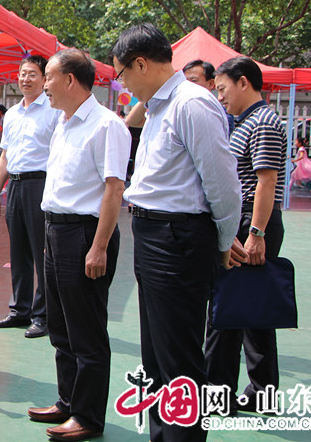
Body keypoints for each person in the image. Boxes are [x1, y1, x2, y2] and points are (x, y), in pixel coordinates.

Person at [112, 23, 240, 442]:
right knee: (157, 358)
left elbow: (222, 182)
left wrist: (224, 242)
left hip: (179, 239)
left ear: (142, 64)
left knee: (180, 362)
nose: (123, 83)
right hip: (153, 235)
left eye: (123, 73)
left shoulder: (191, 104)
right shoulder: (159, 105)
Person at [28, 50, 130, 441]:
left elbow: (113, 189)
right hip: (57, 232)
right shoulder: (63, 123)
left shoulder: (107, 125)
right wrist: (49, 240)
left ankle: (87, 416)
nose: (43, 85)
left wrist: (99, 246)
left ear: (70, 79)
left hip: (86, 234)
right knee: (60, 328)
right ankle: (68, 401)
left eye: (48, 77)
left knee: (86, 331)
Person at [205, 56, 287, 414]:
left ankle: (218, 395)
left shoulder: (264, 122)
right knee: (254, 312)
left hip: (251, 224)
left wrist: (256, 233)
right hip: (247, 223)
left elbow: (266, 181)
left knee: (227, 311)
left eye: (222, 88)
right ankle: (262, 391)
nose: (220, 97)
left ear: (243, 82)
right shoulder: (243, 122)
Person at [0, 55, 60, 339]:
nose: (25, 79)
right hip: (15, 188)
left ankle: (43, 315)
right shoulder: (13, 114)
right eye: (22, 73)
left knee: (41, 252)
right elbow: (6, 155)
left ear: (44, 79)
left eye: (32, 74)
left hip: (40, 185)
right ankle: (21, 310)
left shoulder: (54, 110)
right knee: (18, 253)